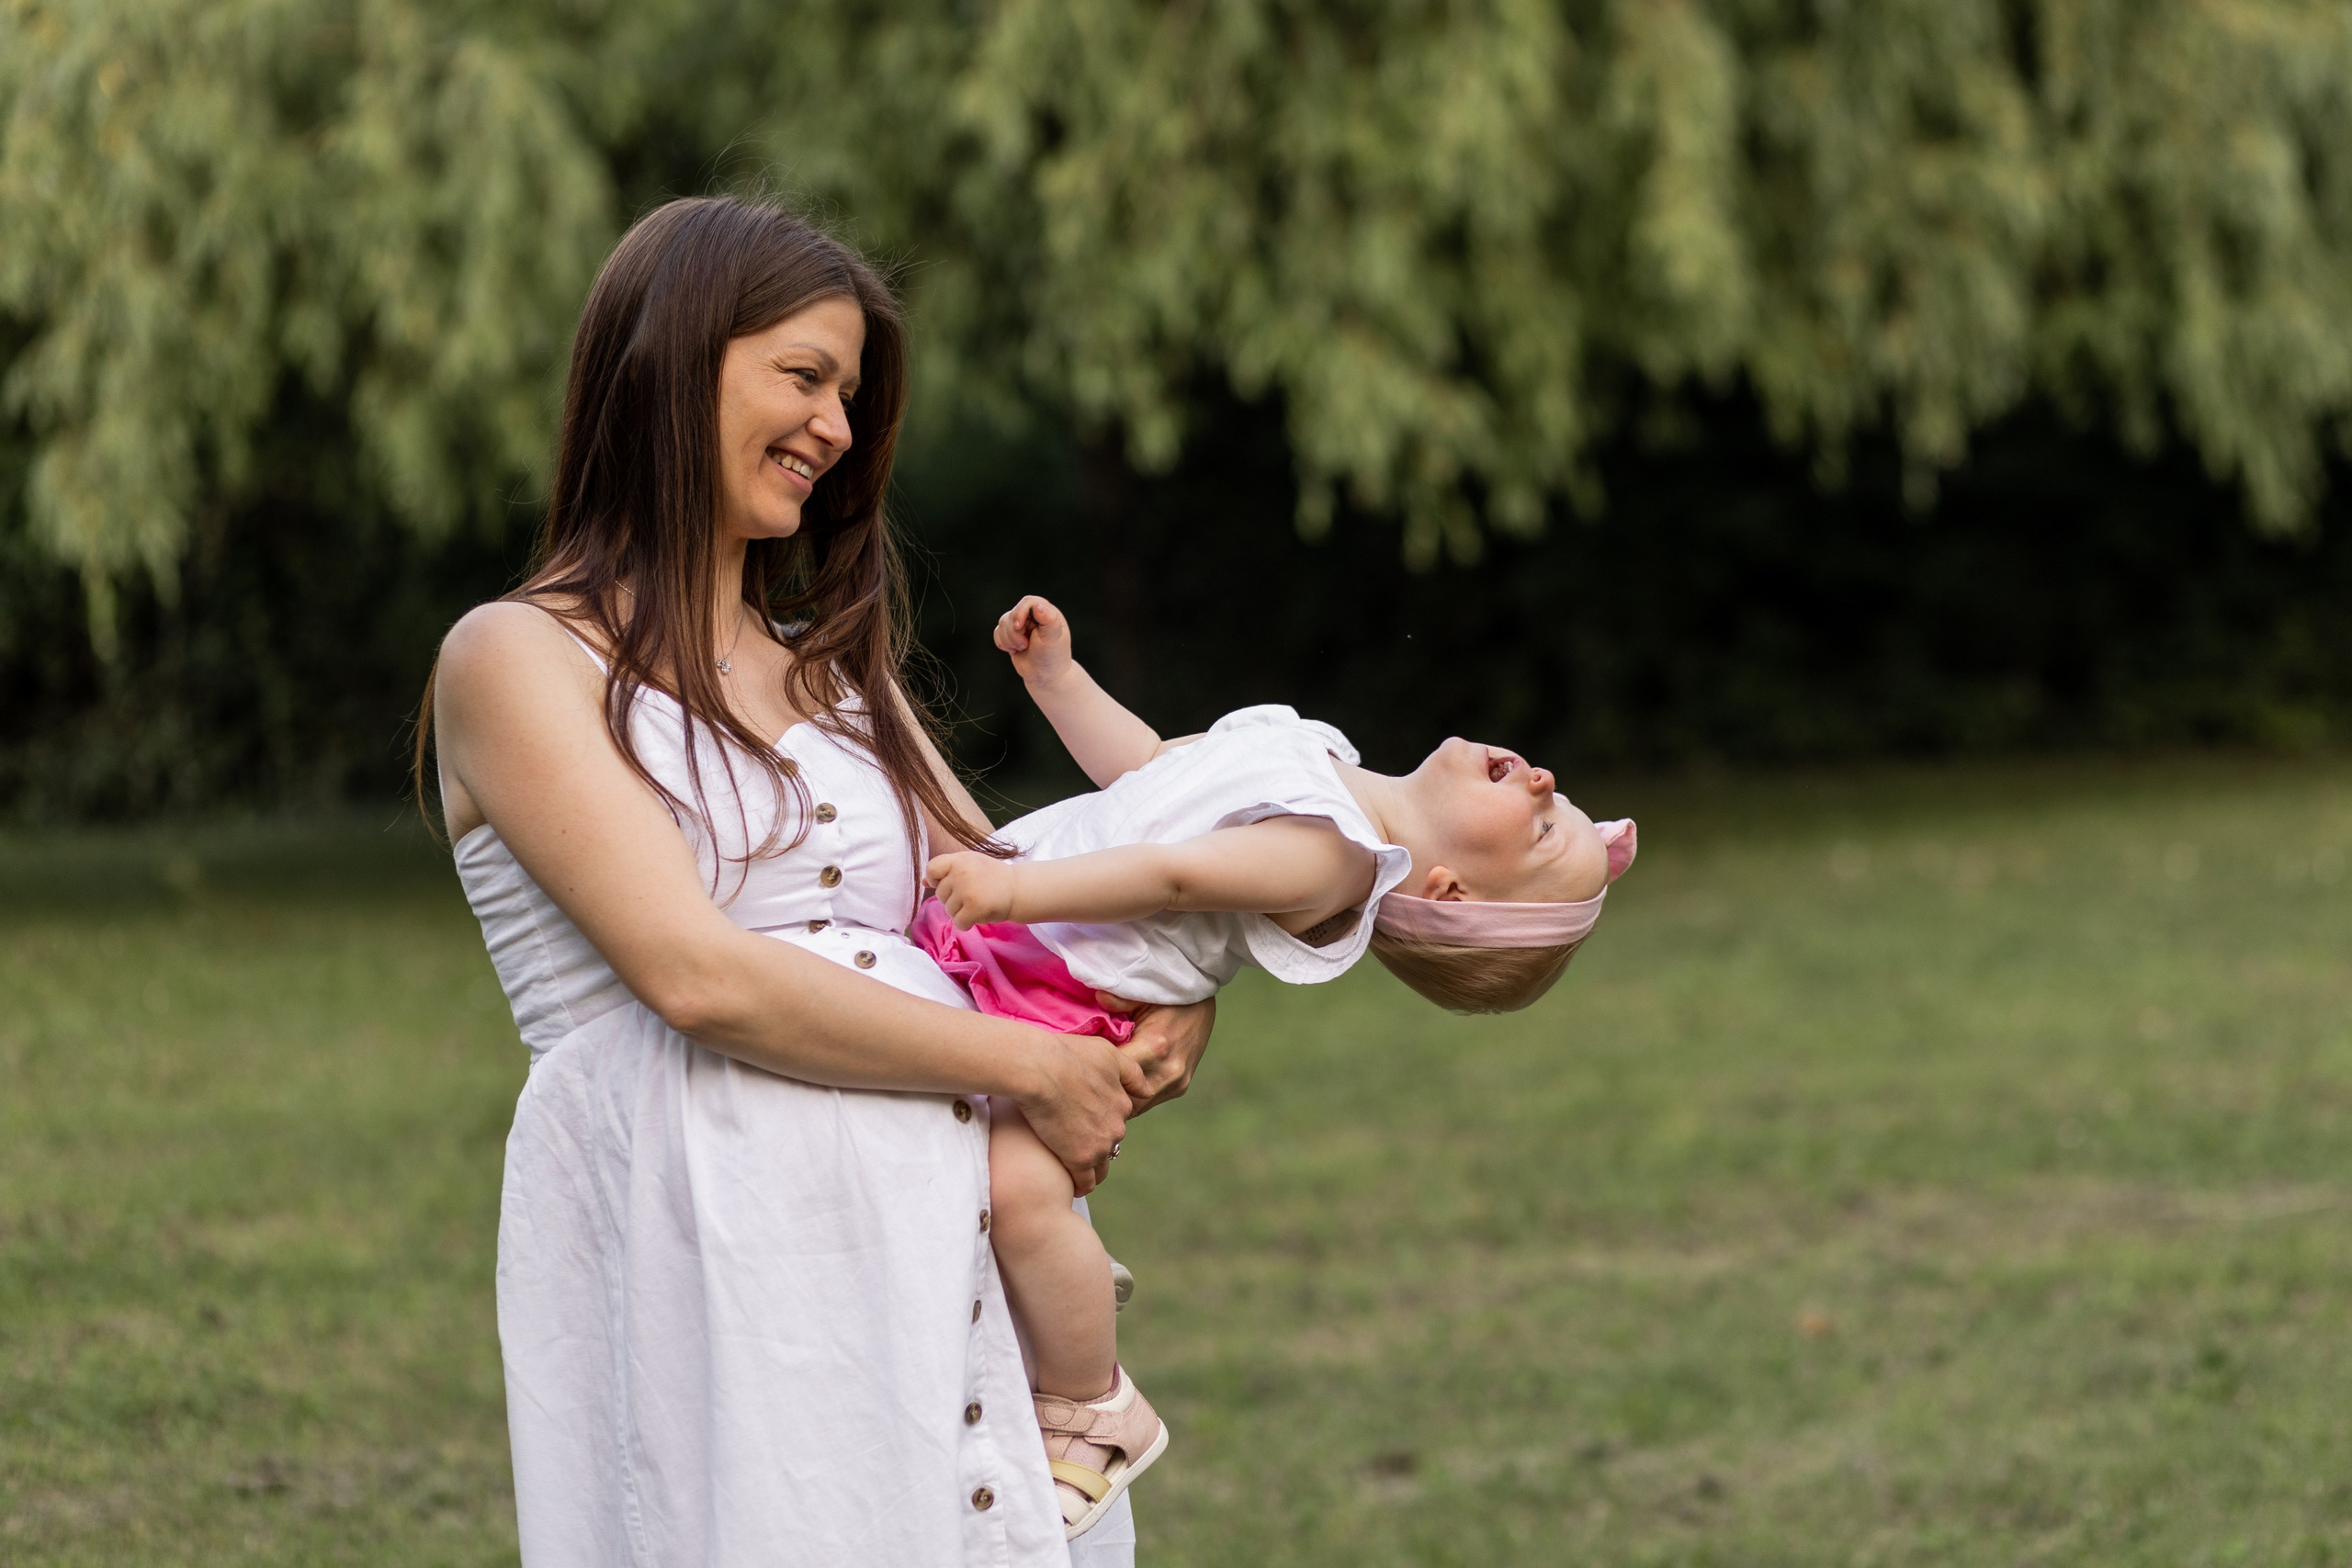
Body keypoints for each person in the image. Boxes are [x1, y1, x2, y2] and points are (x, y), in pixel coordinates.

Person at [419, 197, 1213, 1567]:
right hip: (716, 1249)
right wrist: (1029, 1062)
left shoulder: (835, 672)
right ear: (674, 365)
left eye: (849, 395)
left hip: (938, 1229)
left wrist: (1184, 979)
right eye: (805, 376)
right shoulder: (514, 658)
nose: (839, 428)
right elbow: (695, 972)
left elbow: (1035, 885)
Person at [918, 594, 1636, 1538]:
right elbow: (1147, 775)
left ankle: (1093, 1402)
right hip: (1023, 943)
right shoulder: (1308, 751)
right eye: (1563, 796)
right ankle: (1075, 1281)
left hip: (1066, 991)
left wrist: (1014, 886)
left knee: (1017, 1192)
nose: (1544, 781)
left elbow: (1173, 876)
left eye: (1543, 827)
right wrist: (1060, 681)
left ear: (1448, 890)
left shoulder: (1330, 860)